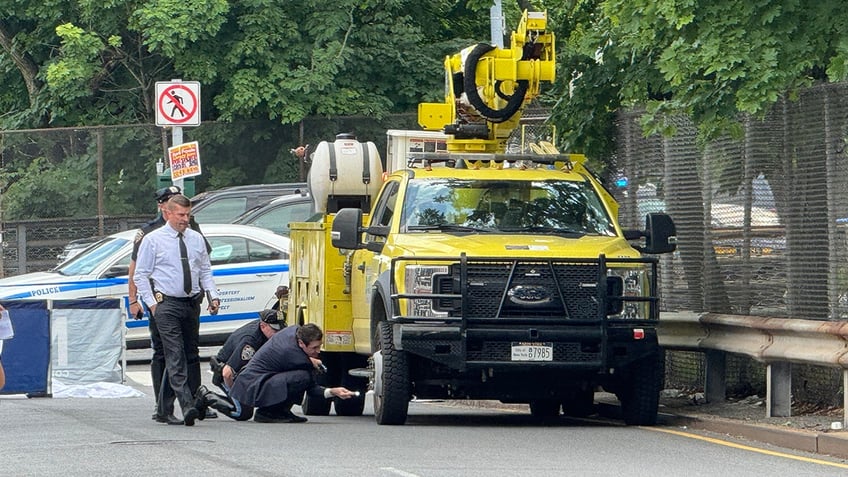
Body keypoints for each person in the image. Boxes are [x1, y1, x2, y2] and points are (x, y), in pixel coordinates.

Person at [128, 186, 216, 423]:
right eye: (181, 215)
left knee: (188, 354)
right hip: (165, 303)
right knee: (171, 354)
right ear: (166, 211)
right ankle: (187, 405)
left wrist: (212, 295)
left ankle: (164, 409)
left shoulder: (195, 236)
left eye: (188, 215)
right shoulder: (151, 237)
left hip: (190, 302)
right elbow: (138, 273)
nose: (186, 220)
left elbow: (205, 269)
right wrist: (146, 303)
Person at [230, 323, 357, 423]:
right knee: (302, 377)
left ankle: (282, 411)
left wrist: (310, 359)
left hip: (254, 381)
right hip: (252, 388)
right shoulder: (294, 356)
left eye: (319, 346)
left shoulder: (295, 331)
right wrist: (333, 392)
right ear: (301, 343)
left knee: (299, 376)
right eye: (314, 348)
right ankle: (268, 413)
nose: (318, 351)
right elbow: (311, 389)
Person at [193, 309, 284, 421]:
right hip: (225, 371)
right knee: (241, 412)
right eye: (275, 330)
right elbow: (227, 373)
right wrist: (238, 394)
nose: (278, 333)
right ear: (263, 326)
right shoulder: (250, 342)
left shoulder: (264, 328)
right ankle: (206, 396)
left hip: (244, 373)